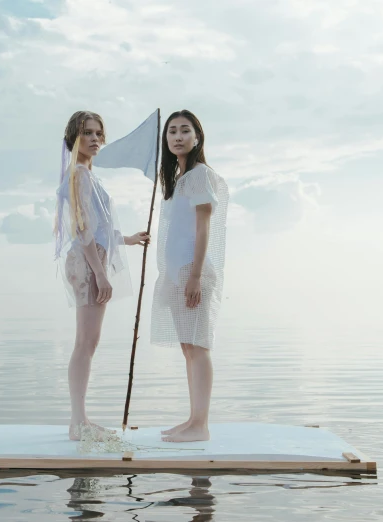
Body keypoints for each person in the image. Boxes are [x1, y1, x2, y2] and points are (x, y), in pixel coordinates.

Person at [54, 111, 150, 441]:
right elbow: (82, 229)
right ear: (73, 138)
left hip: (90, 260)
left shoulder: (87, 176)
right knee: (85, 343)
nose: (95, 139)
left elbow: (100, 227)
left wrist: (128, 240)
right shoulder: (78, 176)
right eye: (87, 133)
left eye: (98, 133)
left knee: (88, 342)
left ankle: (79, 420)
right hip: (86, 264)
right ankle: (78, 422)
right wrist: (100, 274)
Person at [150, 110, 229, 443]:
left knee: (198, 347)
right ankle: (193, 419)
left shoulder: (198, 175)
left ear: (197, 137)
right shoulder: (181, 179)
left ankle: (200, 425)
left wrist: (195, 275)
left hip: (192, 272)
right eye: (171, 132)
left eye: (185, 131)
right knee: (188, 347)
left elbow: (203, 226)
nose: (177, 137)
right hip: (179, 273)